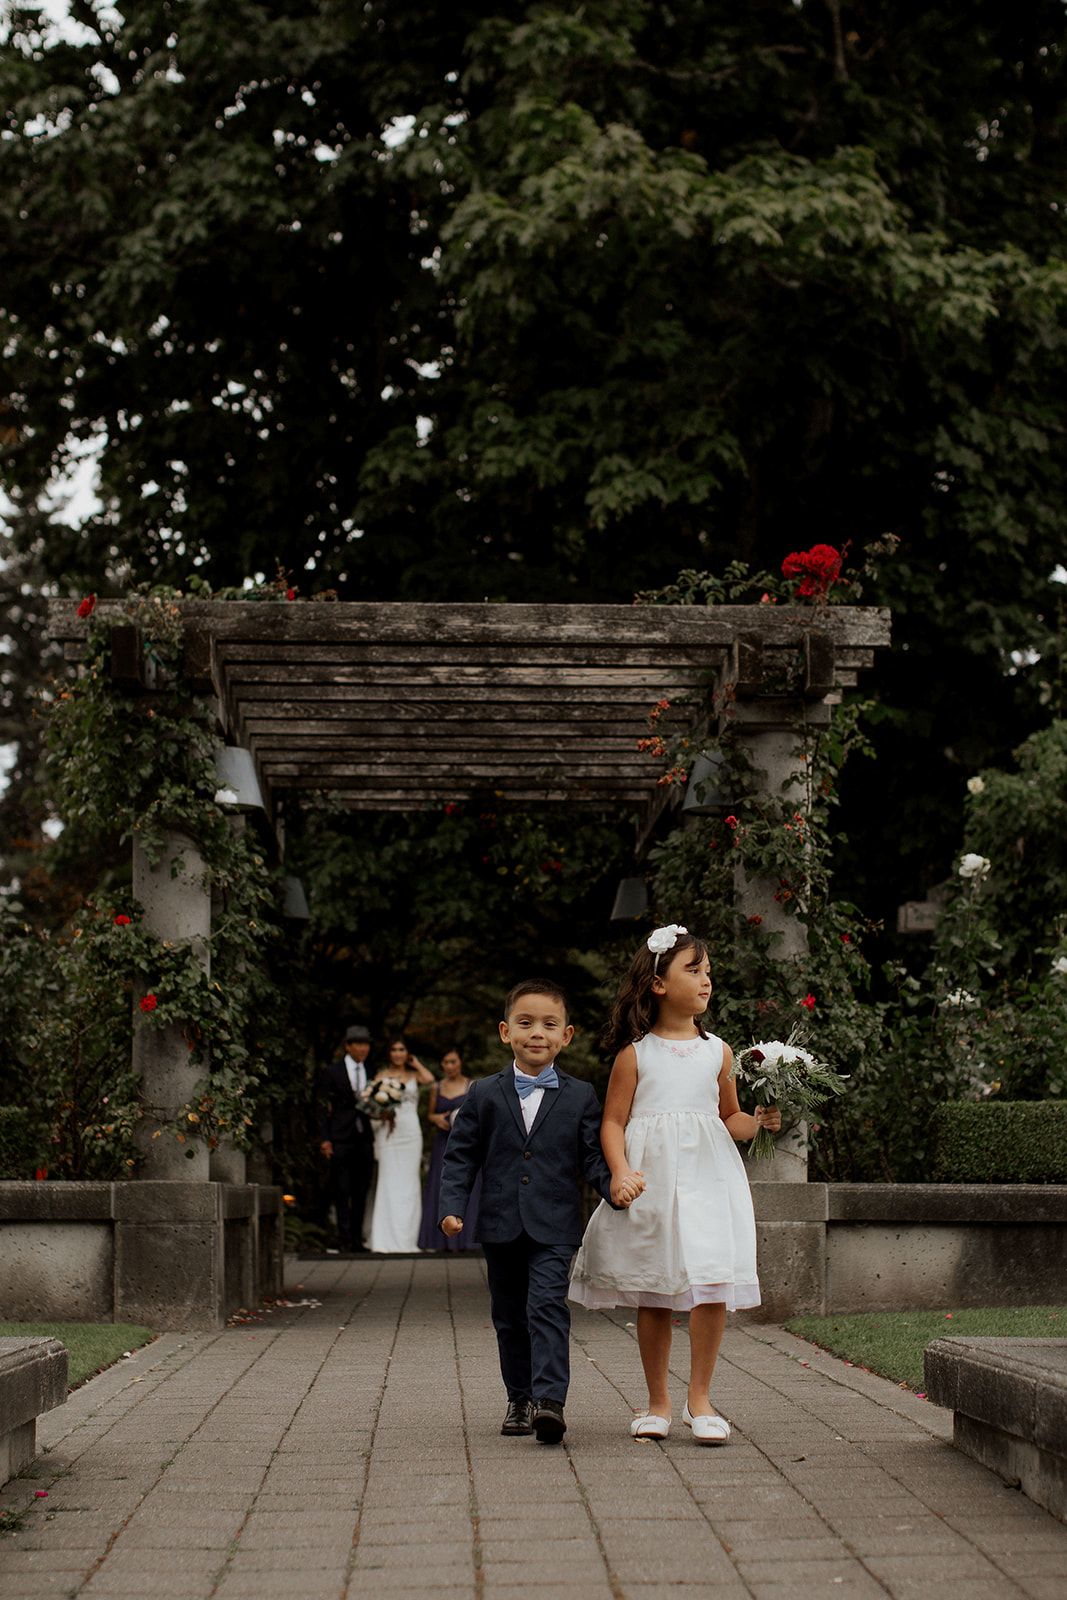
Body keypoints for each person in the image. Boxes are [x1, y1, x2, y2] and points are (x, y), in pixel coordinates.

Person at [568, 925, 781, 1445]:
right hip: (655, 1182)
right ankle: (658, 1401)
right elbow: (613, 1123)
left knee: (709, 1282)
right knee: (656, 1288)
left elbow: (728, 1118)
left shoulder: (720, 1052)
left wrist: (759, 1122)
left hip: (709, 1179)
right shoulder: (635, 1054)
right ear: (659, 983)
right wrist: (620, 1171)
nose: (706, 981)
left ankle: (700, 1399)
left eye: (708, 972)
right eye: (694, 970)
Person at [438, 979, 642, 1444]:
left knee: (547, 1305)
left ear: (566, 1036)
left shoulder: (579, 1095)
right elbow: (461, 1155)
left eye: (550, 1024)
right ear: (505, 1032)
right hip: (499, 1225)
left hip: (555, 1226)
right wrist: (452, 1207)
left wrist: (615, 1185)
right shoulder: (484, 1093)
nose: (537, 1033)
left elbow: (592, 1156)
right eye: (525, 1023)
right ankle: (520, 1398)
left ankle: (550, 1402)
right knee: (509, 1315)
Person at [368, 1034, 437, 1253]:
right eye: (394, 1050)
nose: (398, 1054)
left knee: (409, 1183)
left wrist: (415, 1063)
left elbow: (431, 1080)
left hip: (410, 1131)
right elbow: (372, 1107)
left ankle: (409, 1238)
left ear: (407, 1053)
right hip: (389, 1132)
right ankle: (384, 1239)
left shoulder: (414, 1074)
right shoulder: (381, 1076)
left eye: (401, 1050)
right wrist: (382, 1113)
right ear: (389, 1053)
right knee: (388, 1181)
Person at [417, 1046, 482, 1252]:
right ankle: (440, 1239)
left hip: (465, 1141)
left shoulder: (471, 1085)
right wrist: (437, 1118)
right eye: (446, 1062)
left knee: (469, 1183)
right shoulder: (437, 1087)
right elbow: (430, 1114)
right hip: (443, 1140)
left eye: (453, 1061)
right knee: (441, 1182)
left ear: (461, 1062)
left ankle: (468, 1237)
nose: (450, 1066)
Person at [318, 1023, 376, 1253]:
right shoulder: (332, 1071)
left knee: (361, 1189)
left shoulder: (372, 1071)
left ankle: (357, 1237)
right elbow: (322, 1107)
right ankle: (343, 1237)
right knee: (342, 1189)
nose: (363, 1049)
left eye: (366, 1045)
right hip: (340, 1136)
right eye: (359, 1044)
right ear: (348, 1046)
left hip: (365, 1136)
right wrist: (325, 1139)